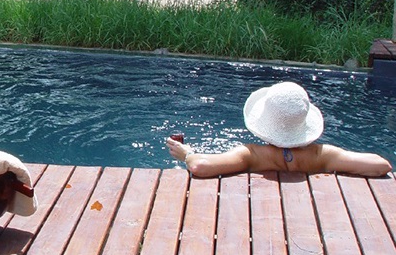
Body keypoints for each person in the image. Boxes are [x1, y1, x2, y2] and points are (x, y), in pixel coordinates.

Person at [166, 81, 393, 178]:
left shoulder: (252, 155)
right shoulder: (322, 156)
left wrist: (187, 153)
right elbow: (381, 165)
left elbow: (200, 166)